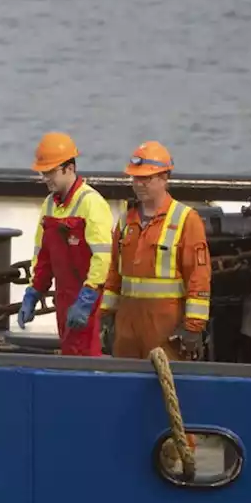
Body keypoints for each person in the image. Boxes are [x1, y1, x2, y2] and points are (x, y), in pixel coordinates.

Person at [99, 141, 211, 360]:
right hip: (127, 329)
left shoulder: (186, 220)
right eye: (135, 178)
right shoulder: (125, 221)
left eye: (146, 178)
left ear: (164, 178)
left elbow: (199, 277)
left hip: (165, 329)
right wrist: (106, 315)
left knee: (164, 387)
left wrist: (193, 327)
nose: (138, 184)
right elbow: (115, 274)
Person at [16, 131, 115, 356]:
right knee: (71, 355)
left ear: (68, 168)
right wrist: (34, 291)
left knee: (87, 359)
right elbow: (43, 256)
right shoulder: (50, 205)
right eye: (43, 173)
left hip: (89, 301)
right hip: (65, 299)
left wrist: (88, 296)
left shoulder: (92, 203)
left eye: (50, 172)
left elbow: (103, 257)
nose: (45, 178)